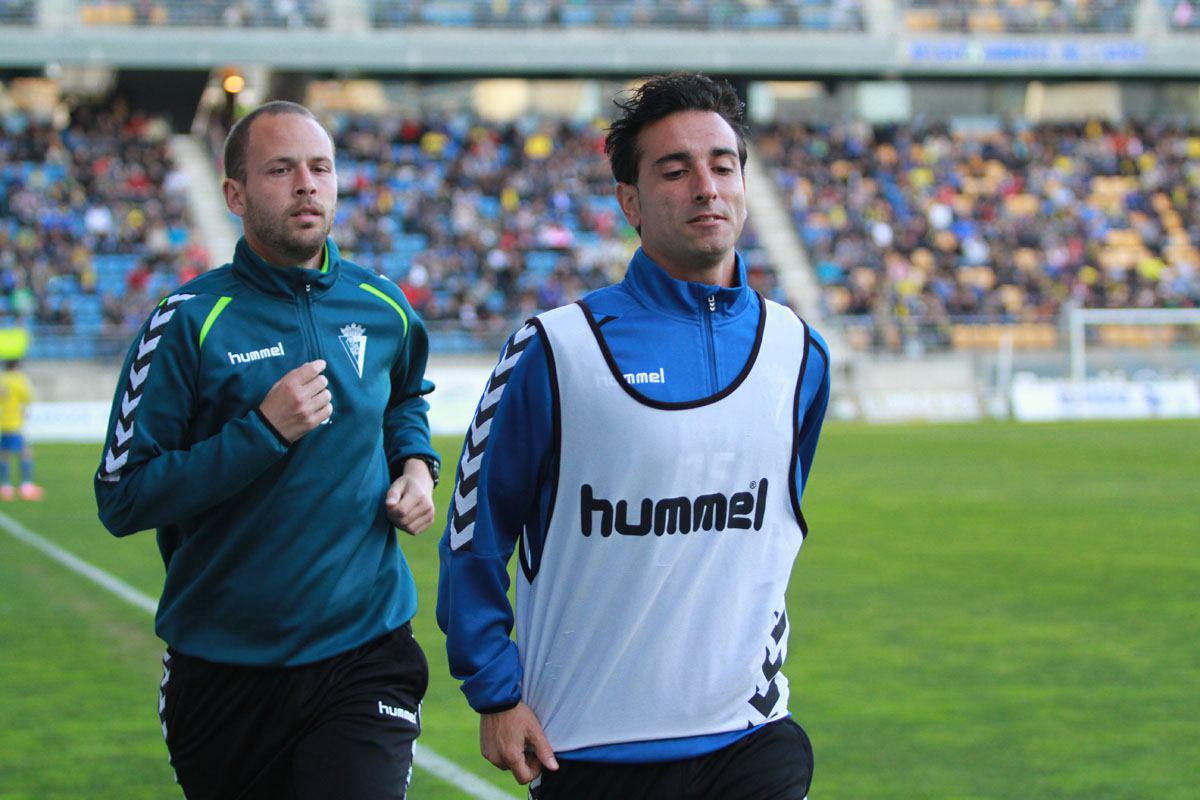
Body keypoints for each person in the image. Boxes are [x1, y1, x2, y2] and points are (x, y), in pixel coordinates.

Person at [437, 73, 831, 800]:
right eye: (675, 171)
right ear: (631, 201)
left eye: (722, 164)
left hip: (751, 734)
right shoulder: (555, 350)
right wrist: (494, 691)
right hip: (589, 748)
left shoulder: (799, 352)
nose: (706, 187)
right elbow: (474, 535)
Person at [94, 101, 440, 800]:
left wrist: (415, 464)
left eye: (320, 168)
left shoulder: (384, 305)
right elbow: (122, 497)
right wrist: (262, 433)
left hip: (364, 651)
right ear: (235, 194)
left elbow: (406, 399)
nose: (307, 185)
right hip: (223, 668)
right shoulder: (187, 324)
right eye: (281, 170)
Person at [0, 359, 43, 501]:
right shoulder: (19, 380)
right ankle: (26, 486)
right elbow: (27, 398)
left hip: (3, 422)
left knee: (4, 454)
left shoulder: (2, 378)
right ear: (16, 367)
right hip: (14, 423)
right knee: (26, 452)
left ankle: (5, 487)